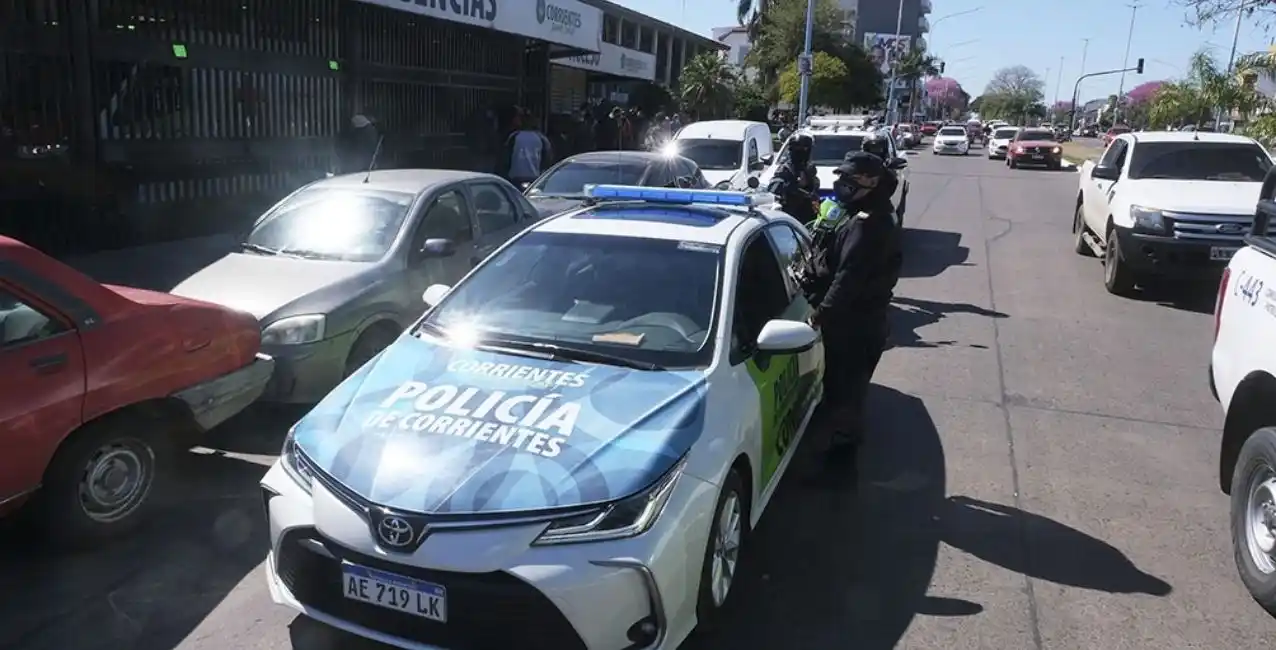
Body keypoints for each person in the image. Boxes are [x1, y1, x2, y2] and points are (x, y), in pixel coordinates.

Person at [802, 151, 902, 458]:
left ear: (872, 181)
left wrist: (820, 315)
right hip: (857, 318)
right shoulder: (861, 211)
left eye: (851, 179)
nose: (843, 184)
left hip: (854, 323)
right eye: (842, 177)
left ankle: (840, 460)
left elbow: (848, 278)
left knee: (845, 393)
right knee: (844, 389)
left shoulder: (869, 223)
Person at [766, 134, 819, 224]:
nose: (802, 151)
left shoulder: (810, 168)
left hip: (808, 213)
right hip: (790, 212)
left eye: (805, 148)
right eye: (798, 148)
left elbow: (814, 186)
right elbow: (773, 188)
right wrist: (790, 187)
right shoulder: (786, 168)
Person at [502, 110, 554, 186]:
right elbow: (548, 159)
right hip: (535, 178)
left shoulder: (514, 137)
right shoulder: (541, 138)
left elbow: (505, 158)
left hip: (515, 177)